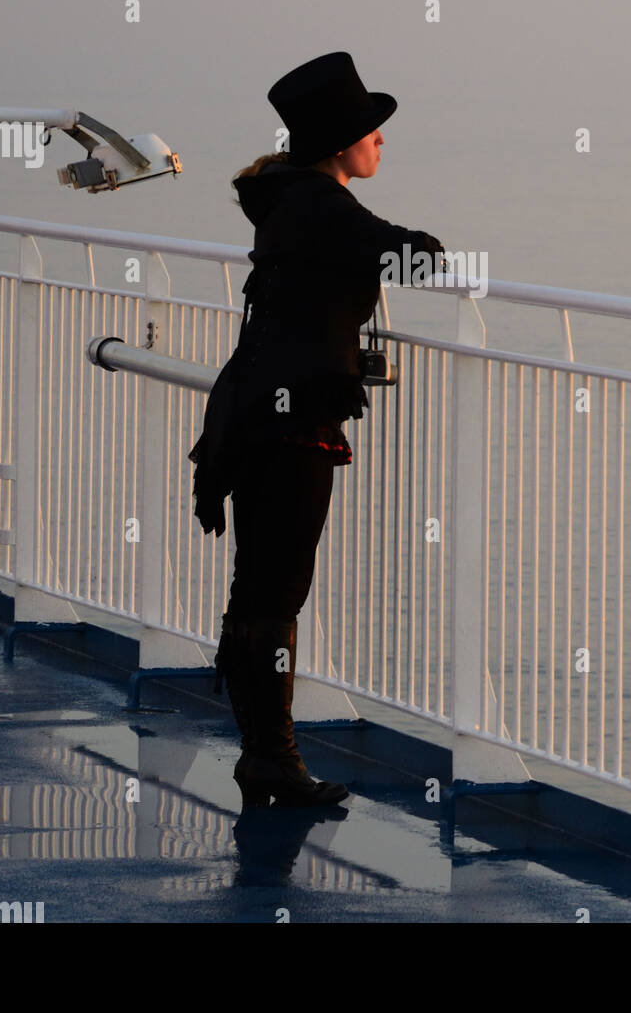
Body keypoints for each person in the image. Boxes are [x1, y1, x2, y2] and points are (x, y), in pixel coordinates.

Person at [187, 51, 444, 809]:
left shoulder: (286, 200)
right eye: (372, 130)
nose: (381, 142)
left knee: (256, 592)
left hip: (253, 411)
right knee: (275, 598)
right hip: (292, 423)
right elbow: (419, 260)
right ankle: (272, 760)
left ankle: (267, 754)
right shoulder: (323, 206)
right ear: (340, 143)